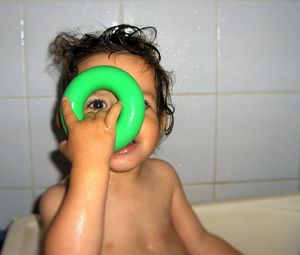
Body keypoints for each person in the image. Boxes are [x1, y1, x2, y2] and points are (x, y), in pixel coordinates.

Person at [39, 24, 242, 255]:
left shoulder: (165, 178)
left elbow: (200, 243)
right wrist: (90, 163)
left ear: (161, 121)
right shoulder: (58, 200)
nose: (119, 118)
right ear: (67, 122)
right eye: (97, 105)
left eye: (141, 105)